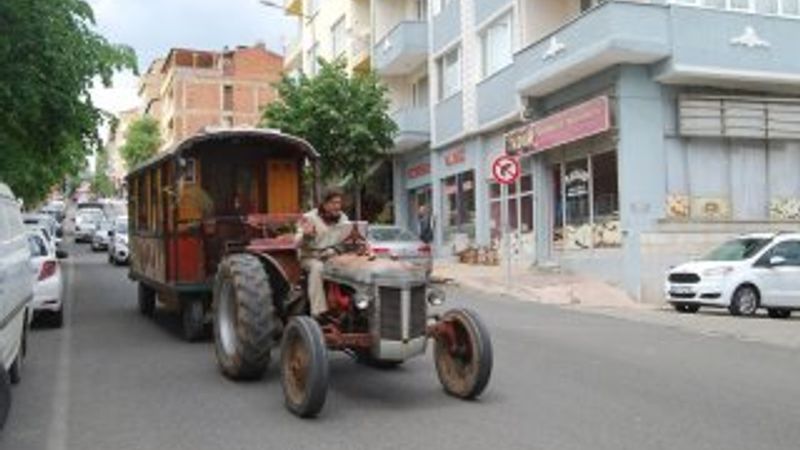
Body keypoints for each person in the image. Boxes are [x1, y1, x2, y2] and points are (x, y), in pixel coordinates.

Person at [295, 188, 349, 317]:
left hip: (333, 256)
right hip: (310, 257)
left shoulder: (343, 218)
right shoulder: (309, 218)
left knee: (352, 266)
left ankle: (353, 306)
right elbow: (297, 241)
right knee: (317, 267)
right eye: (334, 203)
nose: (337, 206)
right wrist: (306, 235)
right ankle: (318, 312)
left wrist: (337, 249)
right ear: (324, 204)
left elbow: (346, 238)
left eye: (339, 203)